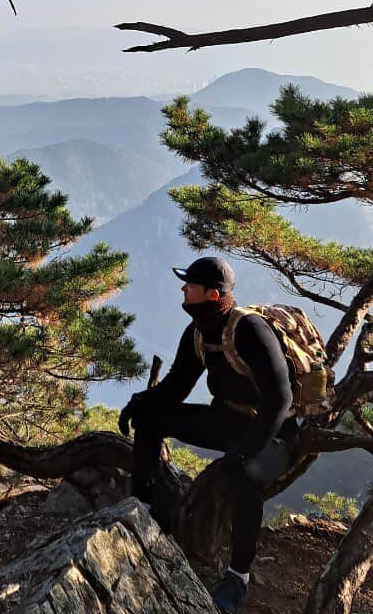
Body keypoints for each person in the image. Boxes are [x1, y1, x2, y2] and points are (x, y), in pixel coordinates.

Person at [118, 255, 297, 614]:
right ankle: (143, 509)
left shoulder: (250, 330)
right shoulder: (199, 332)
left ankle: (238, 576)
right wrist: (140, 402)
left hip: (275, 434)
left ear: (213, 295)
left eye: (190, 285)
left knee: (245, 477)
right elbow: (177, 386)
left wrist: (247, 452)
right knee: (151, 419)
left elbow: (281, 400)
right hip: (227, 421)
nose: (183, 289)